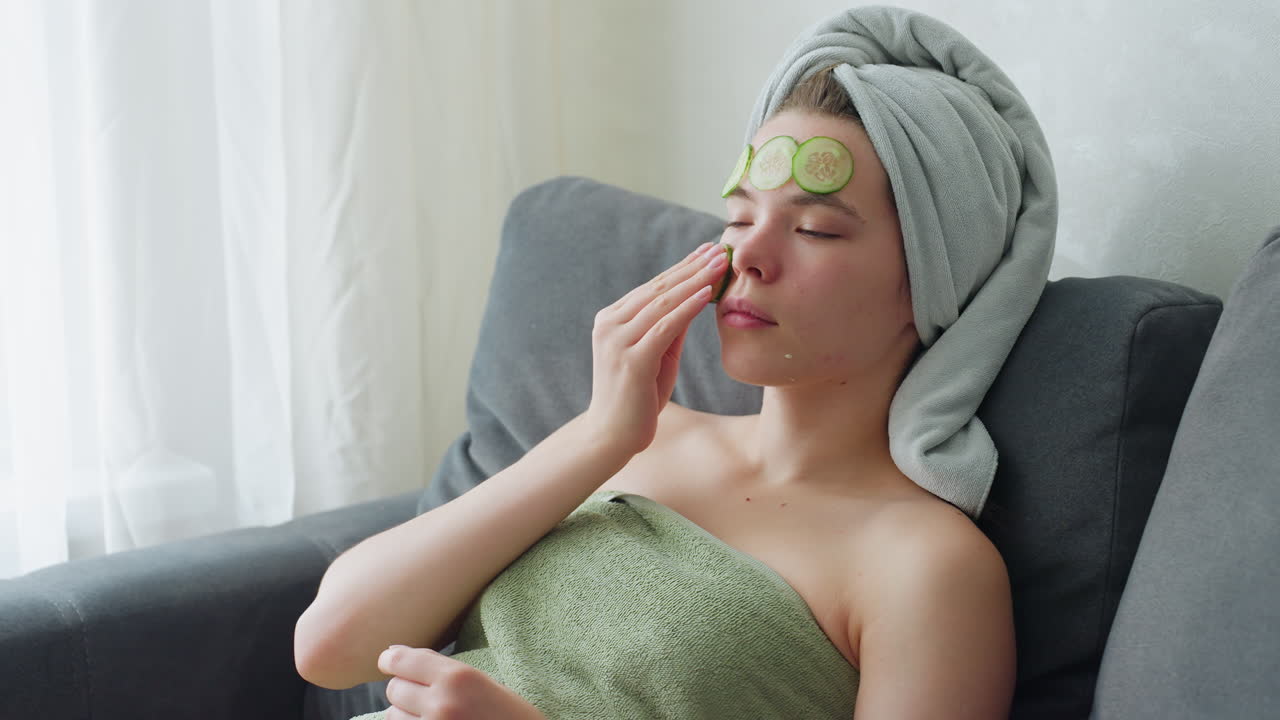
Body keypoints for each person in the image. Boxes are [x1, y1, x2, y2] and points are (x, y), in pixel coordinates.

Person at [296, 6, 1056, 719]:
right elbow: (331, 646)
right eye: (738, 217)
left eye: (817, 229)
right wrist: (601, 436)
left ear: (933, 284)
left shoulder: (926, 566)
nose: (747, 255)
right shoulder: (639, 438)